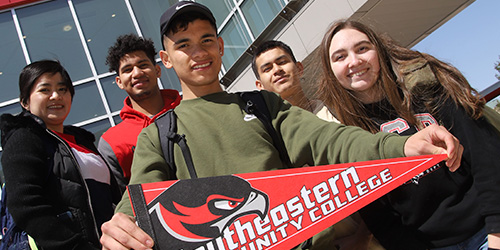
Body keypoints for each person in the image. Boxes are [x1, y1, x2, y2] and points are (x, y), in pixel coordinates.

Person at [99, 2, 463, 250]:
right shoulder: (159, 134)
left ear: (221, 45)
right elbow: (138, 204)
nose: (198, 52)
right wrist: (119, 227)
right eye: (184, 44)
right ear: (165, 58)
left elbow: (331, 140)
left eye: (206, 39)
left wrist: (402, 147)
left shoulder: (260, 105)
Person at [316, 20, 500, 250]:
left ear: (379, 50)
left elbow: (486, 156)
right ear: (331, 70)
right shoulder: (348, 135)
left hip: (486, 229)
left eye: (362, 48)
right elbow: (381, 218)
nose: (355, 61)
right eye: (340, 57)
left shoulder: (424, 87)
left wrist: (496, 234)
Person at [252, 39, 381, 249]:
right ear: (259, 86)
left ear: (299, 67)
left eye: (282, 62)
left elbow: (375, 170)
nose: (277, 70)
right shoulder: (268, 145)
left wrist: (362, 237)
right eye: (267, 68)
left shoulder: (339, 111)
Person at [0, 60, 122, 249]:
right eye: (45, 90)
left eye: (63, 89)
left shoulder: (82, 141)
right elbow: (25, 205)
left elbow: (113, 199)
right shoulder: (23, 137)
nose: (56, 96)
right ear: (25, 101)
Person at [98, 34, 181, 192]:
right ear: (119, 82)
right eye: (127, 70)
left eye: (143, 65)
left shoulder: (188, 110)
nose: (137, 73)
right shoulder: (111, 142)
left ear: (157, 70)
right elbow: (122, 200)